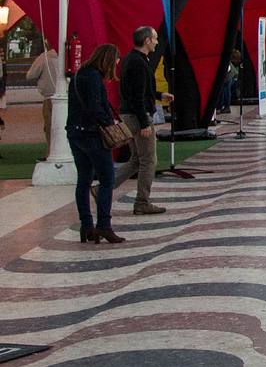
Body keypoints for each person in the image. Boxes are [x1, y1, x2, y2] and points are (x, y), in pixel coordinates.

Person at [68, 43, 126, 244]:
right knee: (107, 178)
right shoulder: (94, 78)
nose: (117, 64)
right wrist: (110, 123)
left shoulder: (78, 74)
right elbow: (95, 107)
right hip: (91, 134)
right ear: (108, 59)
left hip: (75, 132)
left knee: (83, 179)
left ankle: (86, 225)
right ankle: (104, 225)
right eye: (116, 60)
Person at [119, 26, 173, 215]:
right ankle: (142, 202)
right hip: (137, 116)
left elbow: (141, 90)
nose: (157, 42)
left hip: (131, 114)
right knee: (149, 160)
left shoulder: (135, 60)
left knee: (136, 160)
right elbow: (136, 96)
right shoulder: (138, 63)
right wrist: (144, 122)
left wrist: (159, 95)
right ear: (147, 40)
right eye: (155, 39)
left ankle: (103, 187)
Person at [26, 47, 59, 152]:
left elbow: (30, 75)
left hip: (49, 97)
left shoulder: (44, 57)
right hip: (67, 97)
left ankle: (52, 152)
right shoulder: (67, 55)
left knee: (50, 127)